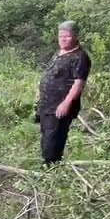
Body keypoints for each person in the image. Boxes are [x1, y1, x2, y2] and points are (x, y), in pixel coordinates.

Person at [36, 20, 91, 164]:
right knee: (46, 135)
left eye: (67, 36)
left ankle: (50, 168)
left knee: (53, 139)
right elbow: (50, 72)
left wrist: (66, 104)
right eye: (60, 36)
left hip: (59, 106)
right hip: (46, 103)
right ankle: (49, 164)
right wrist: (39, 89)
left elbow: (78, 83)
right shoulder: (59, 53)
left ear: (76, 37)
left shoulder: (80, 57)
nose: (63, 39)